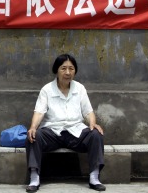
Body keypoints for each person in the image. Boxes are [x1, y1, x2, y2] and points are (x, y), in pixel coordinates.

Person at [25, 54, 105, 192]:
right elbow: (39, 112)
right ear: (57, 70)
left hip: (76, 132)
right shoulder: (47, 90)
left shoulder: (79, 88)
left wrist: (93, 123)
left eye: (71, 69)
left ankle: (94, 177)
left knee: (96, 134)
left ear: (75, 71)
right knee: (34, 136)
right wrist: (33, 127)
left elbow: (88, 111)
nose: (67, 72)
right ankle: (34, 177)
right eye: (63, 68)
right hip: (52, 132)